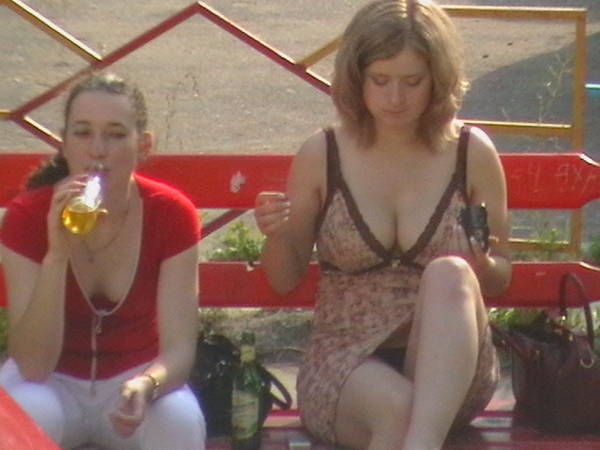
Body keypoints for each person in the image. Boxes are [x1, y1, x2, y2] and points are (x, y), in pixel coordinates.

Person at [254, 1, 512, 449]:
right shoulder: (323, 153)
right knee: (400, 408)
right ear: (357, 79)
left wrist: (482, 263)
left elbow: (501, 278)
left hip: (450, 366)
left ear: (438, 80)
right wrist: (276, 236)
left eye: (412, 82)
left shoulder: (472, 152)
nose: (395, 98)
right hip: (345, 360)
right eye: (380, 80)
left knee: (450, 273)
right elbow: (283, 279)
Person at [0, 72, 206, 449]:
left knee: (179, 420)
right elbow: (33, 365)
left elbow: (179, 349)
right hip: (52, 382)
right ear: (64, 144)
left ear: (143, 145)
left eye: (115, 135)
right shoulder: (28, 216)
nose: (97, 150)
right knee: (27, 412)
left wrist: (148, 384)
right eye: (82, 133)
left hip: (132, 380)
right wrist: (57, 255)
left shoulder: (171, 213)